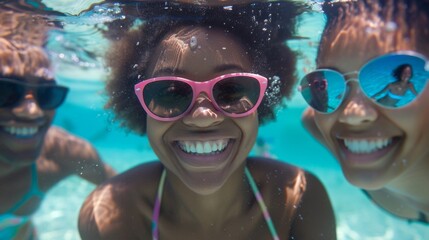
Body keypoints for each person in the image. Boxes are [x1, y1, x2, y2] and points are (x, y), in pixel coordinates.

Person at [79, 2, 336, 239]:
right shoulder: (110, 214)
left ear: (263, 100)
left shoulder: (299, 199)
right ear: (140, 106)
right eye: (171, 93)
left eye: (231, 89)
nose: (202, 118)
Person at [301, 0, 429, 224]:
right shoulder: (317, 123)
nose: (352, 114)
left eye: (390, 68)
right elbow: (309, 119)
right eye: (330, 81)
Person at [0, 10, 116, 239]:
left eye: (47, 94)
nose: (32, 111)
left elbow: (132, 196)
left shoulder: (61, 152)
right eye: (5, 91)